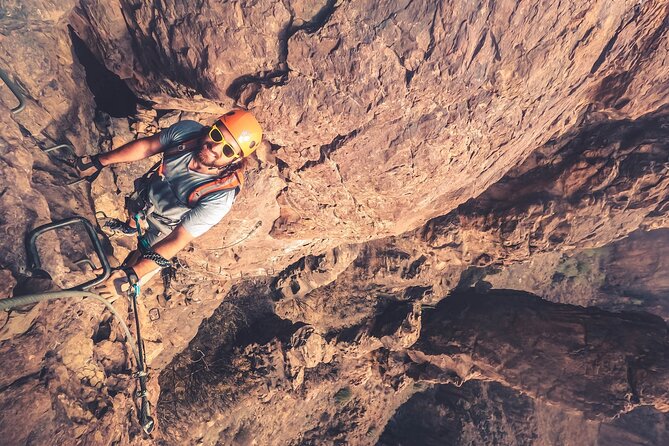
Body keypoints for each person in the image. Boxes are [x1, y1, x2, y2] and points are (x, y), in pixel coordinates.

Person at [76, 110, 263, 300]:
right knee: (135, 213)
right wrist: (99, 161)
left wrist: (134, 274)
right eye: (217, 135)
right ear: (212, 127)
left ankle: (125, 275)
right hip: (149, 196)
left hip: (167, 227)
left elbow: (179, 238)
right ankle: (130, 229)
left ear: (236, 159)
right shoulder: (187, 133)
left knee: (140, 260)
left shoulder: (220, 196)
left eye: (228, 150)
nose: (215, 148)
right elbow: (147, 146)